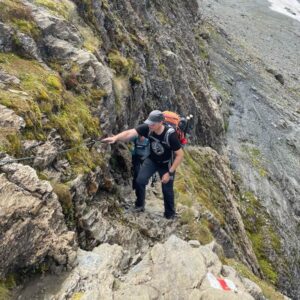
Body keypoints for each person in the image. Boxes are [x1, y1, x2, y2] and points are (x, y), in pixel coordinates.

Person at [102, 110, 184, 219]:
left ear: (161, 122)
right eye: (149, 122)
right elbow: (130, 133)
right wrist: (115, 138)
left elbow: (180, 155)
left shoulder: (170, 135)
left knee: (167, 189)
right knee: (140, 180)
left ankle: (170, 215)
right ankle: (139, 205)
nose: (150, 125)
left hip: (167, 163)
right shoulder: (148, 128)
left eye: (153, 123)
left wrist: (169, 173)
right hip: (153, 160)